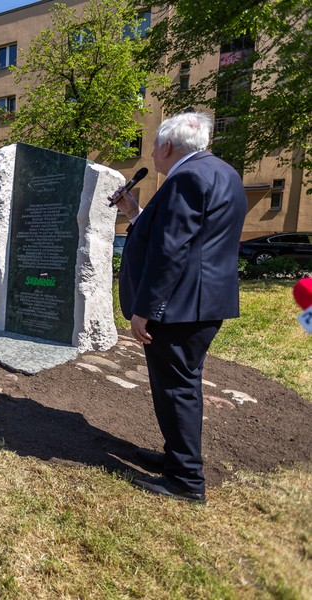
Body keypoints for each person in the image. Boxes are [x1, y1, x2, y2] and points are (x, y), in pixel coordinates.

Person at [113, 112, 246, 504]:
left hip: (180, 307)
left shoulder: (185, 178)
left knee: (176, 388)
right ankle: (175, 458)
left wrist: (145, 309)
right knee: (180, 384)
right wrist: (134, 213)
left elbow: (171, 251)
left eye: (153, 144)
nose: (152, 152)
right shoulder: (224, 173)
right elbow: (187, 236)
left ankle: (186, 480)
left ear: (167, 146)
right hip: (203, 302)